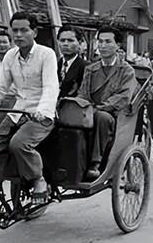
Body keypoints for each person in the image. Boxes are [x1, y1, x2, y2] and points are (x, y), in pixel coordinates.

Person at [0, 11, 59, 212]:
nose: (18, 35)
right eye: (15, 30)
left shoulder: (46, 54)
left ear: (34, 32)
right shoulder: (10, 56)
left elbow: (51, 87)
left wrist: (42, 110)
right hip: (18, 112)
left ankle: (38, 179)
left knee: (19, 144)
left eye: (24, 30)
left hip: (41, 116)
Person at [78, 26, 137, 180]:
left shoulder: (126, 70)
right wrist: (84, 106)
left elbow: (124, 97)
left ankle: (95, 162)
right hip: (90, 111)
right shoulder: (91, 69)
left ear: (118, 45)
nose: (103, 46)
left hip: (113, 115)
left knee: (102, 117)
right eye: (100, 41)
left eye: (108, 42)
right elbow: (83, 93)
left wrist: (99, 108)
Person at [57, 25, 86, 98]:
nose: (65, 44)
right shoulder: (53, 65)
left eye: (70, 40)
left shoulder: (86, 67)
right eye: (62, 40)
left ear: (79, 43)